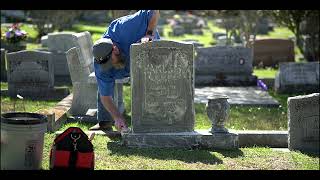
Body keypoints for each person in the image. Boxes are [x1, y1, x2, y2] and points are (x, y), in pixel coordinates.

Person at [89, 10, 160, 132]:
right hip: (125, 59)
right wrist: (118, 117)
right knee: (103, 87)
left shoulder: (126, 27)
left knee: (148, 83)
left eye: (111, 62)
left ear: (115, 49)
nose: (110, 66)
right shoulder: (101, 64)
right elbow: (105, 96)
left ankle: (151, 119)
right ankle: (105, 122)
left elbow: (154, 11)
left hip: (148, 52)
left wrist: (148, 33)